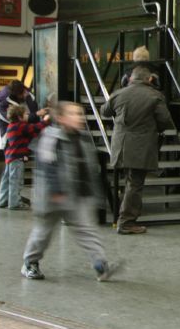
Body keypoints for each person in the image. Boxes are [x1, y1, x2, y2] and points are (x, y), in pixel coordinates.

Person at [21, 101, 117, 282]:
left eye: (80, 114)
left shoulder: (82, 138)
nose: (80, 117)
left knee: (87, 231)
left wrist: (92, 192)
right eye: (74, 114)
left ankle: (100, 264)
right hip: (53, 197)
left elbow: (88, 167)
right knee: (43, 233)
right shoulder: (50, 137)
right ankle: (30, 263)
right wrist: (55, 191)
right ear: (62, 118)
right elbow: (47, 166)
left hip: (77, 195)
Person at [102, 65, 171, 234]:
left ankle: (124, 217)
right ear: (150, 79)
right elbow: (165, 121)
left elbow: (104, 111)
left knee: (130, 182)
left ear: (130, 79)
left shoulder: (119, 93)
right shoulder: (155, 96)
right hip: (140, 147)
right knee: (135, 184)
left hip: (120, 145)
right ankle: (126, 221)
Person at [0, 103, 50, 210]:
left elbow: (28, 135)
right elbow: (36, 127)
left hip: (10, 158)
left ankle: (3, 201)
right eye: (26, 114)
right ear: (19, 117)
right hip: (16, 159)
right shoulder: (20, 126)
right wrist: (46, 120)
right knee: (16, 181)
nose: (28, 116)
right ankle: (14, 203)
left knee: (7, 180)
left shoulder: (11, 126)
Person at [0, 79, 39, 150]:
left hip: (26, 138)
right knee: (14, 160)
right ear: (16, 95)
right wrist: (35, 115)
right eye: (22, 93)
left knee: (24, 158)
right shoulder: (2, 105)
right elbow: (19, 120)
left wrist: (28, 100)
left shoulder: (28, 96)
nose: (25, 93)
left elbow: (35, 118)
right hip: (10, 141)